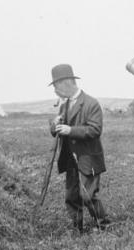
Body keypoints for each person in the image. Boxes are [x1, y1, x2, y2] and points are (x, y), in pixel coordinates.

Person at [48, 63, 111, 232]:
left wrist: (71, 130)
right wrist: (55, 125)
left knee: (88, 195)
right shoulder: (63, 105)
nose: (55, 91)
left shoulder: (91, 103)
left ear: (67, 83)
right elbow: (55, 130)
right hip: (70, 159)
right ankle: (78, 228)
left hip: (87, 157)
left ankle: (103, 224)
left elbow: (95, 130)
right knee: (72, 196)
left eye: (56, 87)